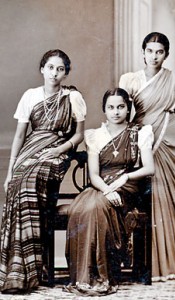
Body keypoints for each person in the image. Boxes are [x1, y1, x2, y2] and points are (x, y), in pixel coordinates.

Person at [0, 49, 86, 294]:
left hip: (58, 151)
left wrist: (60, 149)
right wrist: (10, 170)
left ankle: (34, 268)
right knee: (19, 183)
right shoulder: (30, 96)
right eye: (50, 67)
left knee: (33, 180)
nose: (55, 73)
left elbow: (79, 134)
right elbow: (19, 135)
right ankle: (18, 270)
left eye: (60, 69)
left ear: (66, 72)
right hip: (30, 149)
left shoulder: (72, 97)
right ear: (42, 69)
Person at [64, 87, 154, 296]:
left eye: (121, 107)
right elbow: (94, 175)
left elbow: (150, 168)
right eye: (111, 107)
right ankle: (85, 276)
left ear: (127, 108)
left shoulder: (140, 133)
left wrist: (125, 177)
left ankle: (102, 275)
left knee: (95, 206)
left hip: (128, 188)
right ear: (104, 110)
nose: (116, 112)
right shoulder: (95, 136)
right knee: (87, 207)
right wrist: (106, 190)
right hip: (102, 187)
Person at [119, 32, 175, 282]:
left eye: (159, 52)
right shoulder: (130, 80)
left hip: (171, 145)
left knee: (170, 204)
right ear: (143, 52)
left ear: (166, 55)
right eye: (150, 51)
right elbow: (124, 117)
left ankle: (167, 265)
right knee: (143, 204)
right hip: (143, 143)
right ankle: (144, 266)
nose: (154, 56)